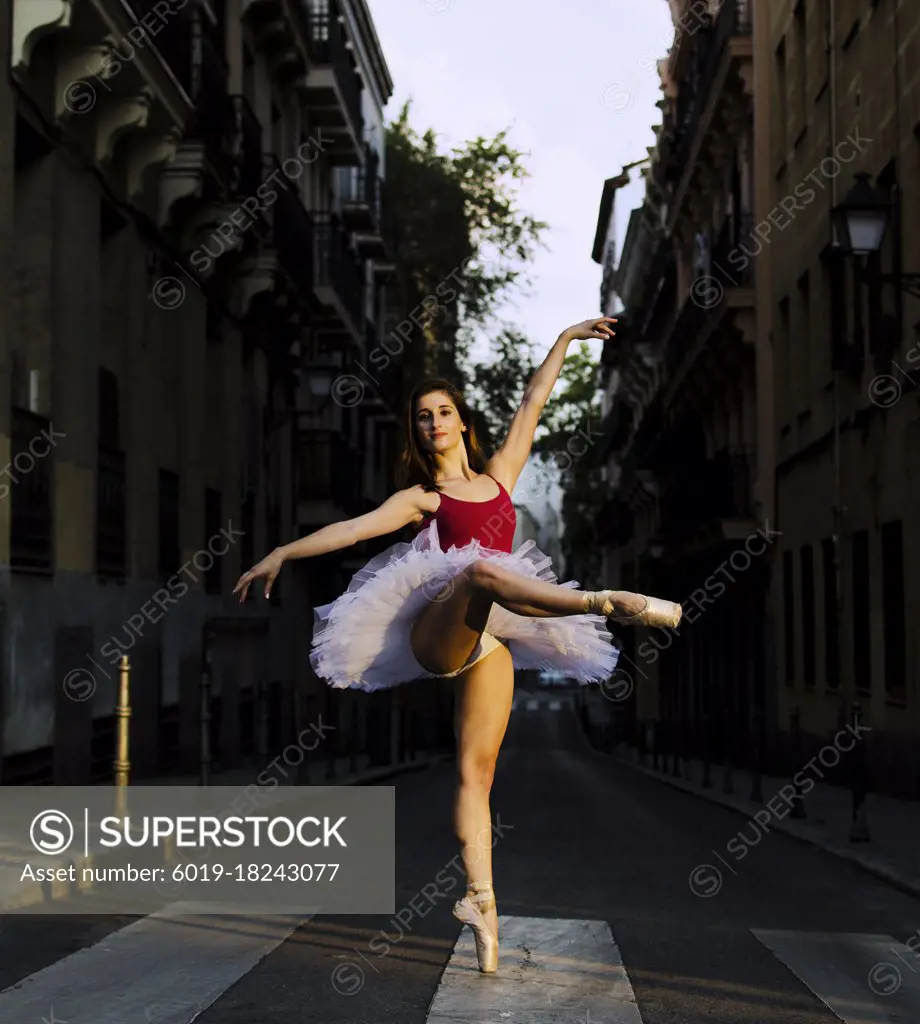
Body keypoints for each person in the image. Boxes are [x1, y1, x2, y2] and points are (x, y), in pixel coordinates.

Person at [233, 315, 682, 974]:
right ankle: (606, 602)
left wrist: (563, 339)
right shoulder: (423, 497)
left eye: (442, 412)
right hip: (433, 632)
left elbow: (533, 403)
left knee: (477, 775)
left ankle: (481, 903)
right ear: (417, 432)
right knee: (476, 570)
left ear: (462, 423)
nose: (433, 423)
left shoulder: (501, 475)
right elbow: (355, 530)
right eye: (422, 417)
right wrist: (281, 551)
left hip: (488, 641)